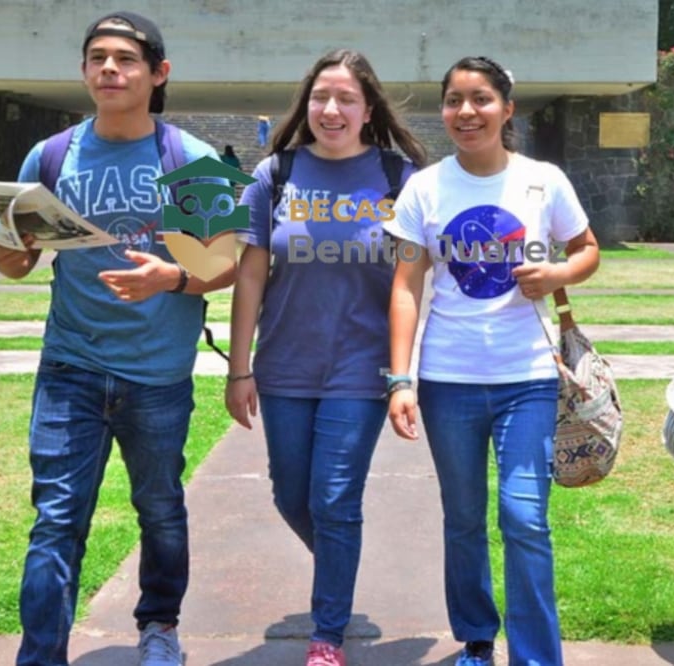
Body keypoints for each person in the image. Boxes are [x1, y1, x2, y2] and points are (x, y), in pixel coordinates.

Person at [0, 11, 234, 666]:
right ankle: (41, 655)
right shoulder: (52, 155)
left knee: (159, 510)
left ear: (158, 73)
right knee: (56, 521)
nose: (109, 70)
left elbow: (227, 263)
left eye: (124, 58)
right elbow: (13, 261)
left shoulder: (189, 158)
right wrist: (10, 245)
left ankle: (160, 628)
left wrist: (172, 277)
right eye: (97, 57)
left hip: (156, 375)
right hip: (70, 367)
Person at [385, 56, 600, 666]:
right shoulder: (423, 188)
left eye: (480, 99)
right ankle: (477, 639)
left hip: (528, 377)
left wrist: (558, 271)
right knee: (462, 518)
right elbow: (405, 286)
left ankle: (536, 656)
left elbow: (587, 249)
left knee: (524, 517)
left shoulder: (543, 180)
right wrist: (400, 378)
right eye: (454, 100)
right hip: (446, 380)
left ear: (507, 108)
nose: (465, 112)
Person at [225, 49, 427, 666]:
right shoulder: (273, 174)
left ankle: (327, 634)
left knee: (335, 499)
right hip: (285, 365)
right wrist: (239, 368)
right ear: (305, 104)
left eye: (345, 99)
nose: (330, 109)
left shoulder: (402, 179)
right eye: (320, 97)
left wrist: (401, 375)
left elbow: (413, 283)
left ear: (369, 110)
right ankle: (339, 562)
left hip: (361, 371)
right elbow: (251, 275)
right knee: (292, 496)